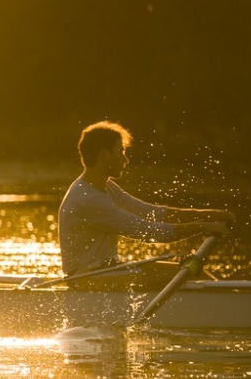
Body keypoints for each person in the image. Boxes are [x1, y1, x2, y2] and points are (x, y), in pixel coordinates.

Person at [57, 121, 231, 287]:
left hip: (107, 271)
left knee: (193, 273)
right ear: (104, 155)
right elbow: (149, 231)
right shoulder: (87, 198)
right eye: (120, 151)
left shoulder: (108, 187)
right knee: (189, 274)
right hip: (86, 279)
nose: (125, 160)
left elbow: (153, 213)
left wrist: (209, 215)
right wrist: (202, 227)